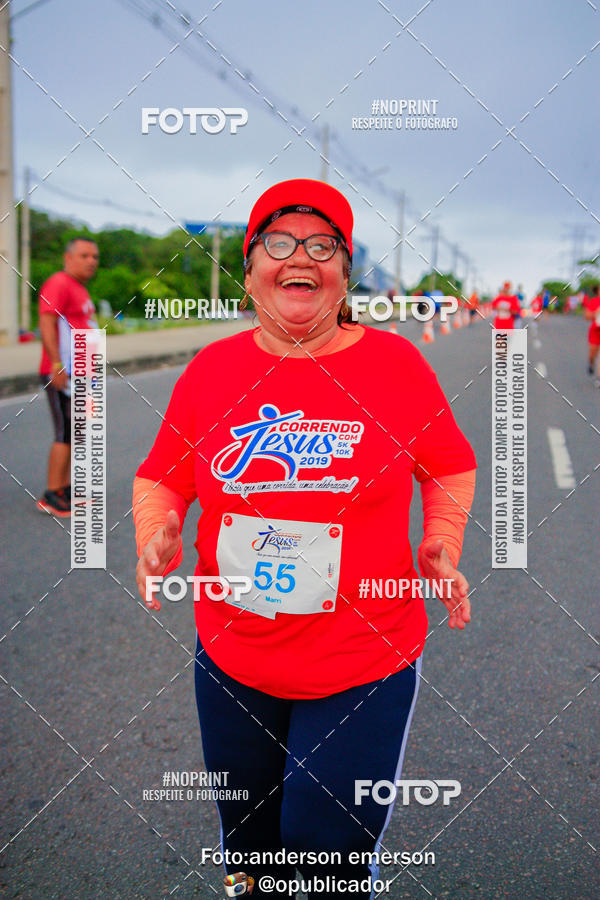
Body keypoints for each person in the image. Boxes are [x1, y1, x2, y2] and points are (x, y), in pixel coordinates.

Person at [133, 179, 477, 898]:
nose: (301, 257)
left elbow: (449, 463)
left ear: (345, 274)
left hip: (361, 660)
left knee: (324, 853)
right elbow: (162, 476)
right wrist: (155, 531)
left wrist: (441, 538)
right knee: (251, 848)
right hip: (232, 657)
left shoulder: (396, 366)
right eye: (279, 242)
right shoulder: (211, 370)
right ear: (250, 268)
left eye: (323, 246)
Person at [37, 237, 99, 517]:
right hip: (64, 372)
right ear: (68, 258)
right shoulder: (59, 283)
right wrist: (56, 364)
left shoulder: (78, 287)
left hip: (81, 371)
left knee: (76, 431)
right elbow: (47, 321)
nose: (91, 261)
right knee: (64, 431)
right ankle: (51, 495)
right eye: (84, 255)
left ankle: (64, 488)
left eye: (94, 257)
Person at [583, 284, 600, 384]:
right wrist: (596, 312)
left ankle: (599, 378)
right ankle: (591, 363)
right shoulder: (594, 301)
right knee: (592, 354)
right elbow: (586, 316)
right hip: (595, 331)